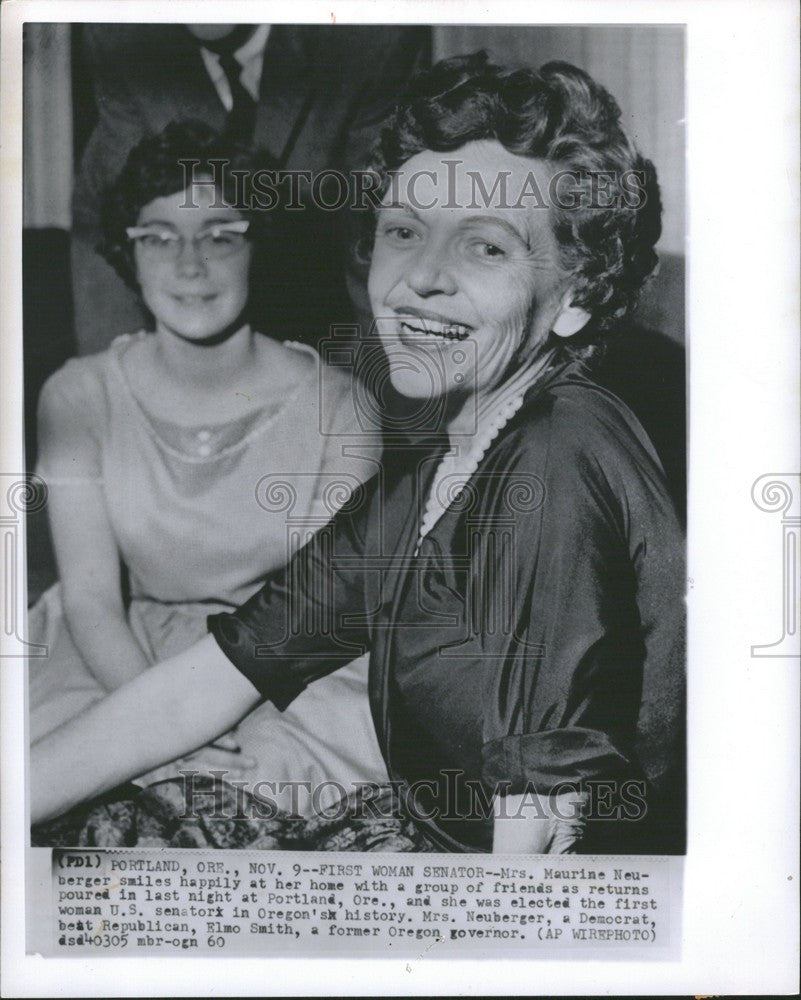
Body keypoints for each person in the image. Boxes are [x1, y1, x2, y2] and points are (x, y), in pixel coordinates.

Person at [32, 53, 685, 855]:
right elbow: (196, 690)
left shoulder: (559, 450)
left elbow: (543, 835)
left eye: (483, 248)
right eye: (403, 232)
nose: (420, 278)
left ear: (576, 295)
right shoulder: (429, 481)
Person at [29, 120, 387, 816]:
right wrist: (161, 727)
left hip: (282, 662)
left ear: (259, 245)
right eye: (157, 236)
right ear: (125, 255)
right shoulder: (77, 394)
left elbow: (317, 618)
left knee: (277, 787)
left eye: (220, 233)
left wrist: (211, 717)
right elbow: (92, 599)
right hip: (109, 648)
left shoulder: (340, 406)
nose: (189, 264)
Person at [71, 23, 431, 354]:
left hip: (324, 323)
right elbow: (107, 216)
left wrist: (379, 399)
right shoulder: (120, 33)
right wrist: (118, 382)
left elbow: (377, 236)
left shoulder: (370, 37)